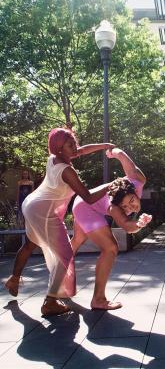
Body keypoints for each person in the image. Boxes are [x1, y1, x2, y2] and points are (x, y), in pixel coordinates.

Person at [4, 128, 114, 316]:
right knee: (65, 254)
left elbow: (83, 150)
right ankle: (50, 302)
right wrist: (110, 186)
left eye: (74, 143)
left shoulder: (55, 157)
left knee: (31, 244)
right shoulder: (67, 171)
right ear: (59, 148)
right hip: (42, 212)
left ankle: (14, 279)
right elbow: (87, 197)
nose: (75, 148)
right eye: (70, 145)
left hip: (31, 204)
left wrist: (104, 146)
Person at [70, 148, 152, 310]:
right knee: (111, 248)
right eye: (126, 207)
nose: (131, 207)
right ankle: (98, 299)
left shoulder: (137, 181)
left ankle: (59, 269)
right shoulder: (114, 206)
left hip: (81, 202)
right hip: (86, 208)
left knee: (78, 240)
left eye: (132, 201)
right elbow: (127, 227)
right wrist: (139, 224)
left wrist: (117, 153)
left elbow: (131, 167)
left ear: (134, 191)